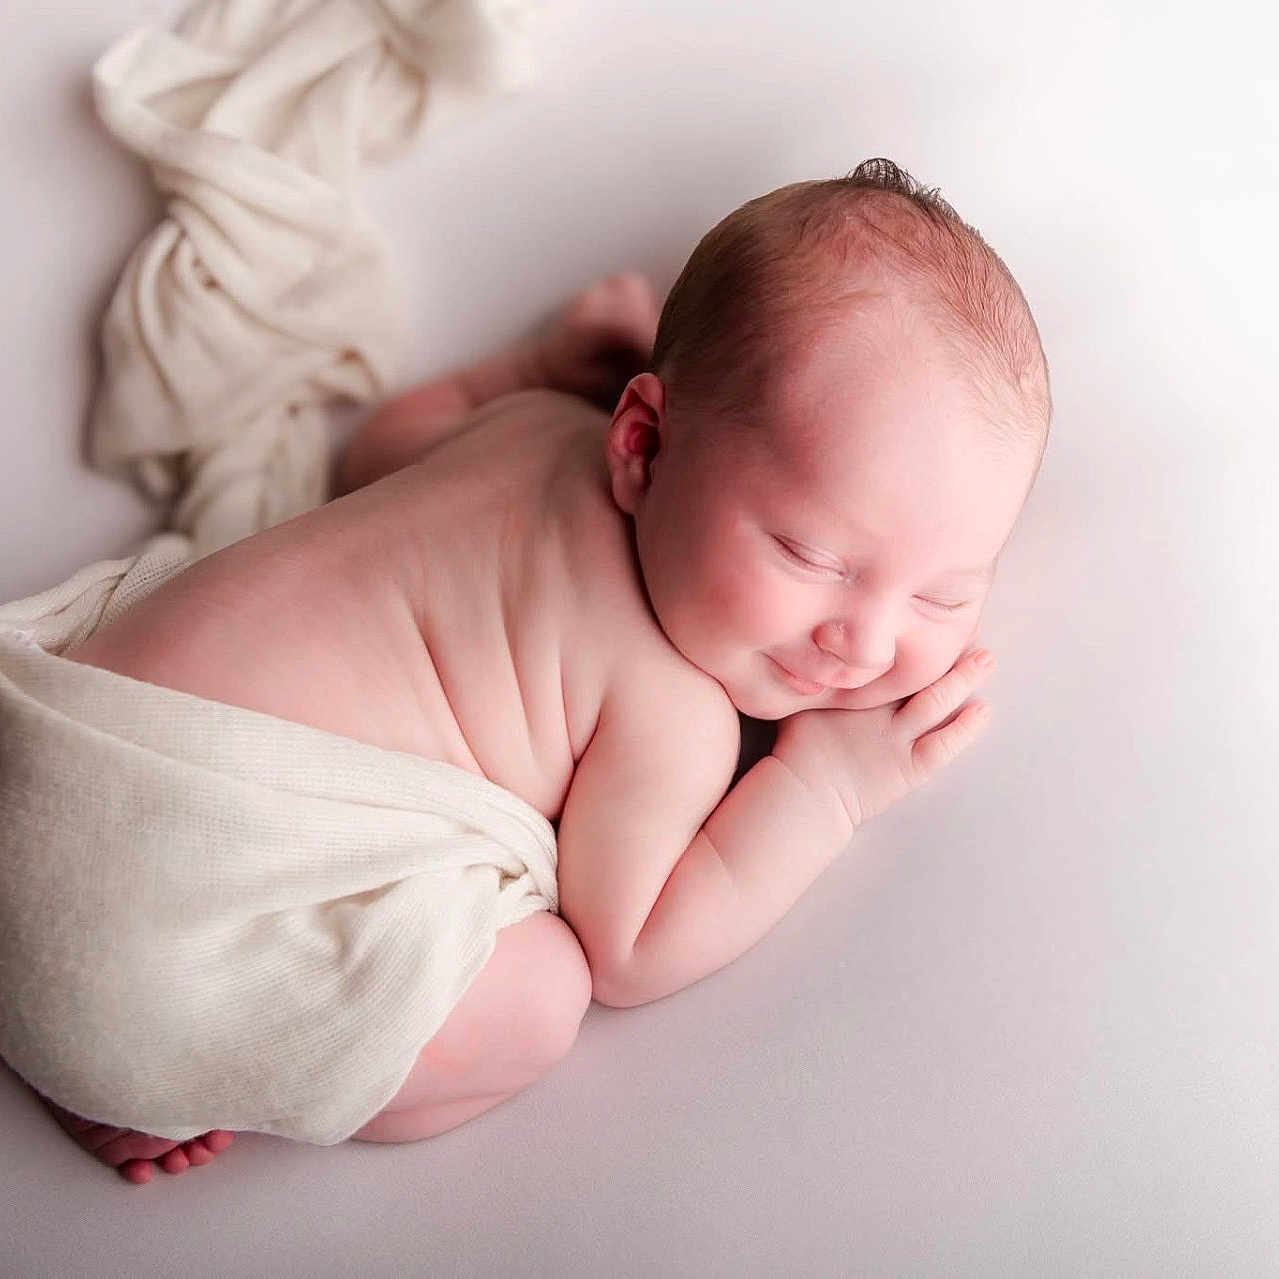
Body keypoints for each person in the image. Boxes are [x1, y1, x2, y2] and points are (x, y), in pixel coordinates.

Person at [13, 159, 1051, 1183]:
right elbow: (633, 950)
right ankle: (154, 1070)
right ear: (643, 445)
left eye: (940, 597)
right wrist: (825, 788)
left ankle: (60, 1012)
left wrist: (528, 367)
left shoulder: (536, 423)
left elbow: (376, 450)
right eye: (810, 556)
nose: (864, 643)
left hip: (41, 767)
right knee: (546, 991)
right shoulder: (669, 707)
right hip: (167, 922)